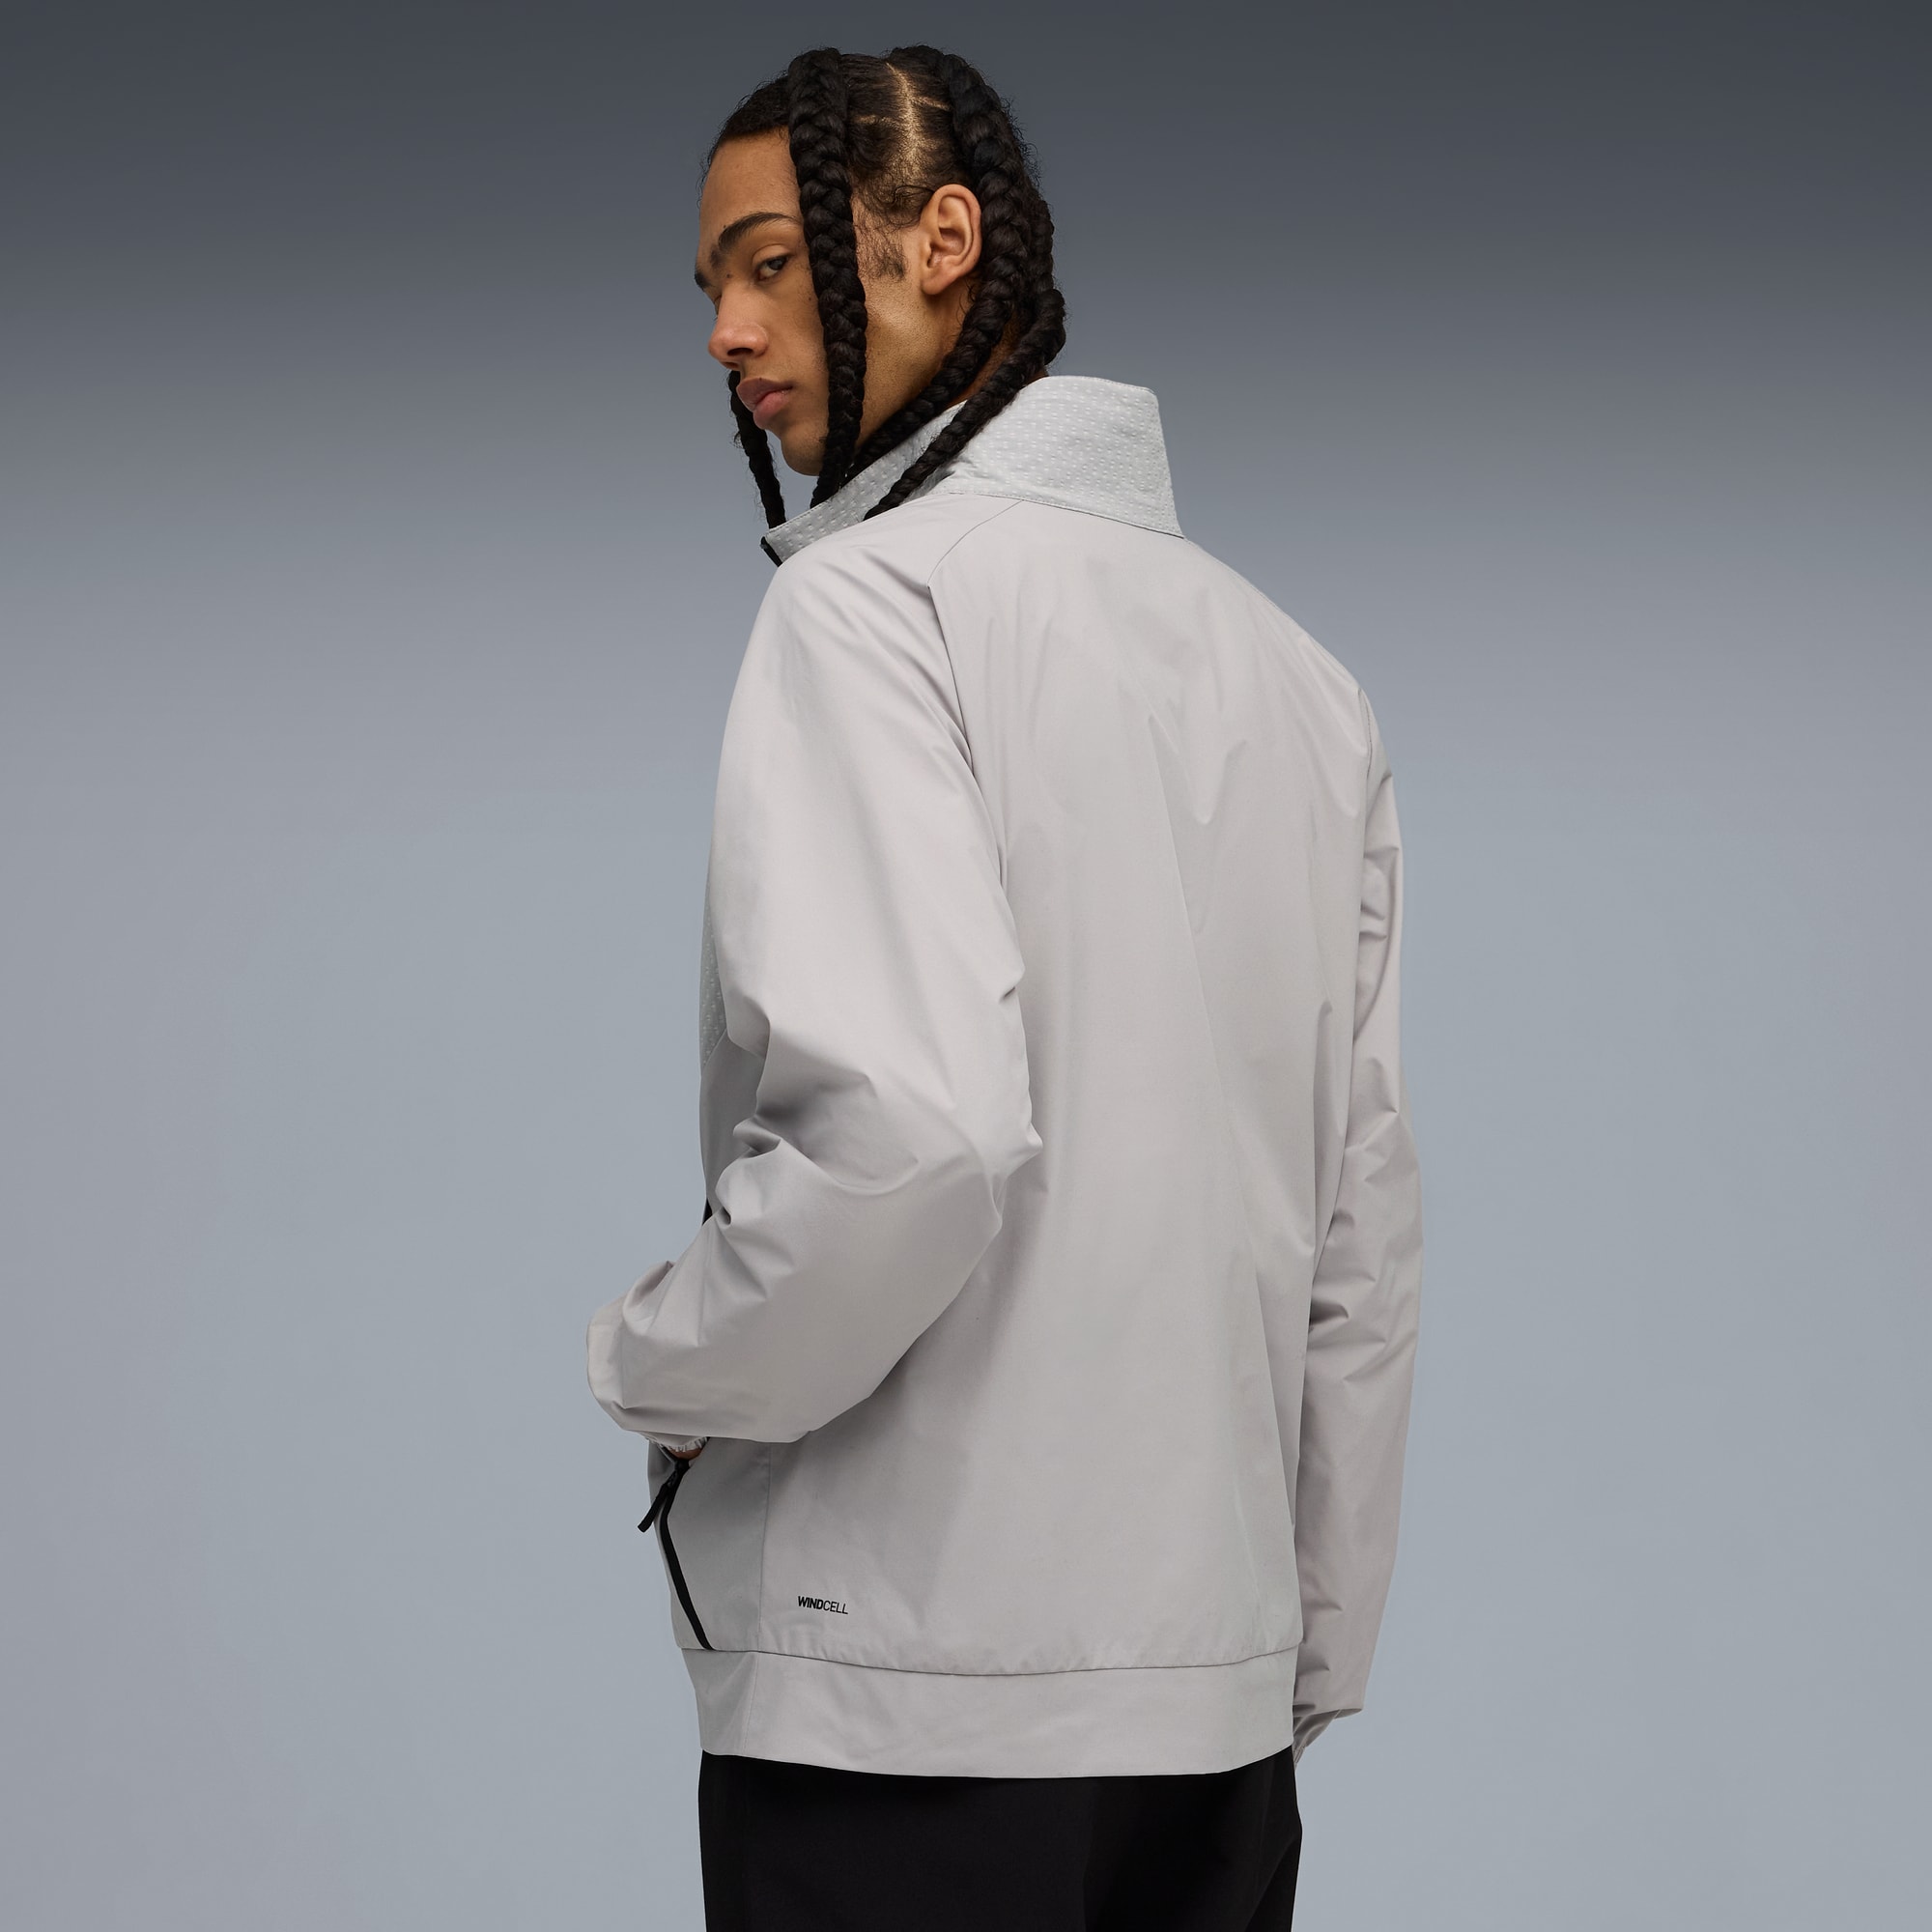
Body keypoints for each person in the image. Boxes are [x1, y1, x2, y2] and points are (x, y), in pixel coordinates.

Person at [586, 44, 1423, 1931]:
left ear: (939, 239)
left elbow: (914, 1140)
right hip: (1208, 1726)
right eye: (710, 288)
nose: (725, 332)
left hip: (907, 1715)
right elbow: (1359, 1245)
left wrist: (666, 1366)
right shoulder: (1303, 681)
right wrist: (1293, 1653)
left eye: (766, 264)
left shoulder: (865, 604)